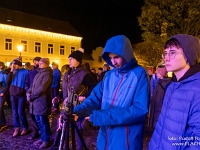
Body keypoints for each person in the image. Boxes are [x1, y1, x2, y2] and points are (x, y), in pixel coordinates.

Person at [73, 35, 149, 150]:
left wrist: (102, 116)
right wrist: (77, 110)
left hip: (126, 139)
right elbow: (95, 98)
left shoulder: (139, 74)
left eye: (117, 57)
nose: (113, 62)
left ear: (126, 54)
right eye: (110, 58)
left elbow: (139, 109)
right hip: (105, 136)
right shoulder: (109, 75)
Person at [149, 34, 200, 150]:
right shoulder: (172, 86)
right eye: (165, 53)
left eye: (172, 52)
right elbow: (162, 126)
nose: (166, 58)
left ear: (189, 55)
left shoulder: (197, 90)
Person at [53, 48, 96, 150]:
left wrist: (84, 96)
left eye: (71, 59)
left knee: (78, 129)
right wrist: (58, 96)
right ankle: (60, 146)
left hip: (78, 106)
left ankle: (79, 148)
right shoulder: (68, 73)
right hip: (67, 105)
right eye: (69, 59)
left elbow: (94, 87)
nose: (69, 61)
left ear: (78, 61)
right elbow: (66, 89)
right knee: (62, 126)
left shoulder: (84, 74)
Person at [27, 58, 52, 149]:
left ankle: (46, 140)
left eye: (42, 63)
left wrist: (32, 96)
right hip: (35, 102)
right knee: (38, 121)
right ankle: (42, 137)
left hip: (42, 101)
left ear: (46, 64)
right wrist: (28, 92)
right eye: (40, 63)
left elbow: (42, 88)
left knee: (43, 121)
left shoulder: (47, 74)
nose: (39, 64)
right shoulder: (39, 73)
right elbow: (32, 85)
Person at [7, 57, 29, 137]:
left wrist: (26, 91)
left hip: (21, 94)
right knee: (14, 112)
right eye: (12, 64)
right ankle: (16, 128)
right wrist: (11, 71)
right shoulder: (12, 72)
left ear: (17, 65)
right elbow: (8, 82)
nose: (12, 65)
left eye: (14, 64)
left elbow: (28, 82)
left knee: (20, 112)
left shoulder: (26, 71)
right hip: (13, 94)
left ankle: (25, 127)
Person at [149, 64, 171, 129]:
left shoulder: (166, 84)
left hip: (160, 108)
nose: (156, 74)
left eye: (157, 73)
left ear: (161, 73)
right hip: (156, 106)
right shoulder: (159, 82)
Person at [25, 56, 41, 140]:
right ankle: (35, 131)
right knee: (32, 115)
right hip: (31, 96)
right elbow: (27, 83)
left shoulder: (43, 72)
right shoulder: (31, 72)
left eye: (37, 61)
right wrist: (28, 92)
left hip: (39, 97)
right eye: (35, 61)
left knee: (40, 116)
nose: (35, 63)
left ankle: (42, 132)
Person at [0, 62, 7, 130]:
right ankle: (3, 122)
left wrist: (3, 92)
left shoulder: (4, 73)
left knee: (0, 108)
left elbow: (7, 83)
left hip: (1, 93)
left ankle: (1, 124)